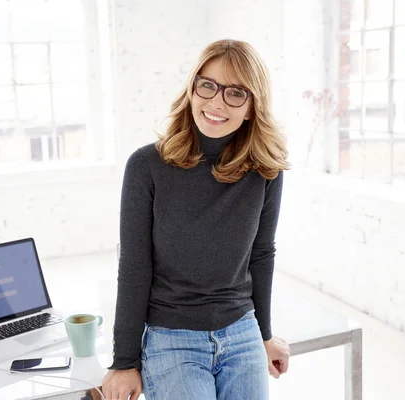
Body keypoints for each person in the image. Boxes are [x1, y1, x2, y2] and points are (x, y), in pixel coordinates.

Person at [102, 39, 291, 400]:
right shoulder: (146, 166)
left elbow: (262, 254)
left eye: (236, 93)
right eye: (208, 85)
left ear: (252, 107)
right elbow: (134, 266)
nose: (216, 102)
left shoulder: (266, 169)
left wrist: (263, 335)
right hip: (172, 336)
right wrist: (124, 361)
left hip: (241, 331)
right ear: (192, 89)